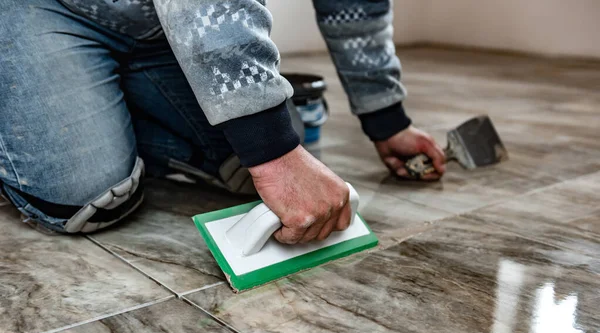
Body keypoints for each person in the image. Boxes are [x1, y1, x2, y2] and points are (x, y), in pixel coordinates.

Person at [0, 0, 446, 243]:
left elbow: (354, 4)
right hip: (45, 10)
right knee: (82, 202)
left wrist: (386, 118)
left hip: (162, 26)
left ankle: (112, 101)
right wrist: (275, 155)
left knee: (274, 124)